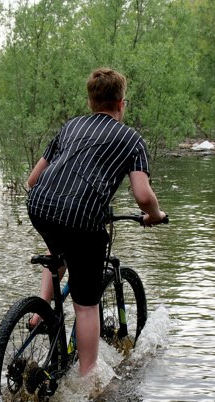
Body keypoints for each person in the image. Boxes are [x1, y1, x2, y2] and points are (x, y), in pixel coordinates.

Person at [26, 67, 166, 378]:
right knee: (86, 305)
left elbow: (33, 179)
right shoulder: (131, 140)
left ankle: (39, 313)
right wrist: (155, 216)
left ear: (90, 102)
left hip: (39, 206)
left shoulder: (71, 126)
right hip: (81, 218)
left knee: (57, 252)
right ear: (122, 104)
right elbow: (143, 196)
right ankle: (88, 380)